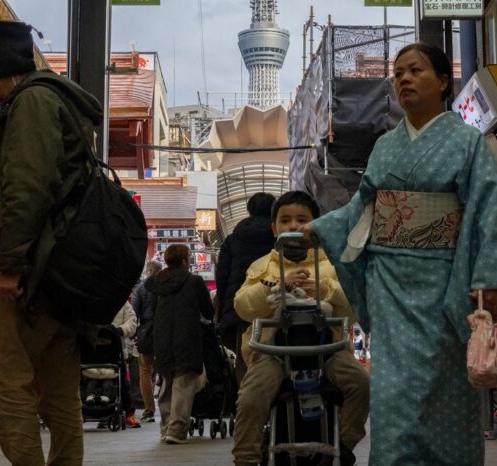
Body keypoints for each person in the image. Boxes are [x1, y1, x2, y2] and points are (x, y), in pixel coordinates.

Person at [302, 43, 497, 466]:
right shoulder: (385, 147)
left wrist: (491, 283)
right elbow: (361, 211)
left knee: (444, 391)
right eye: (398, 73)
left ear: (444, 82)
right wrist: (319, 228)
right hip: (389, 286)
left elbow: (491, 210)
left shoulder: (468, 144)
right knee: (392, 398)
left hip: (447, 286)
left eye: (415, 70)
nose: (404, 79)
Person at [0, 20, 104, 466]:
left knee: (2, 378)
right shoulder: (62, 102)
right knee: (59, 392)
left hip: (39, 273)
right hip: (68, 275)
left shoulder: (31, 103)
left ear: (4, 70)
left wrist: (11, 266)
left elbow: (28, 189)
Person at [232, 191, 370, 466]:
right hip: (274, 352)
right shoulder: (262, 267)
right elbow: (243, 306)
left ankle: (344, 443)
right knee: (250, 397)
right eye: (285, 220)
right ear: (274, 228)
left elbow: (354, 306)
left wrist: (326, 290)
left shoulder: (334, 265)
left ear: (314, 226)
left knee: (362, 383)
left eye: (301, 220)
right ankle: (245, 457)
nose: (293, 226)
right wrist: (277, 284)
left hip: (328, 350)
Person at [146, 244, 214, 444]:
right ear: (185, 261)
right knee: (183, 382)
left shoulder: (157, 282)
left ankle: (166, 427)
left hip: (162, 339)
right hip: (187, 338)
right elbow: (208, 311)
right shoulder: (194, 281)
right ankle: (176, 430)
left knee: (166, 381)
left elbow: (152, 310)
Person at [215, 192, 277, 381]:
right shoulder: (279, 238)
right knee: (275, 355)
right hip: (273, 307)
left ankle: (247, 404)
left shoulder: (233, 240)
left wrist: (223, 312)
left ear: (249, 211)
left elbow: (222, 278)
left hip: (240, 311)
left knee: (244, 361)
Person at [131, 260, 163, 422]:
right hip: (164, 332)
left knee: (145, 371)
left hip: (147, 333)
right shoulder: (167, 286)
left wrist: (134, 335)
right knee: (166, 371)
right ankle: (168, 408)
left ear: (149, 271)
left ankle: (149, 409)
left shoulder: (142, 288)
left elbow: (134, 312)